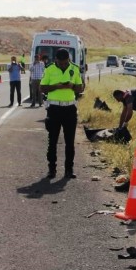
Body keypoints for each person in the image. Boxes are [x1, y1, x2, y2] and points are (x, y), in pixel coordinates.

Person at [40, 48, 83, 179]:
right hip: (54, 109)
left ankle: (69, 170)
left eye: (66, 62)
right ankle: (51, 169)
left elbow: (80, 87)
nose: (64, 65)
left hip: (70, 110)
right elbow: (42, 88)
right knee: (52, 141)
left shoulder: (74, 69)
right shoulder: (49, 69)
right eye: (61, 63)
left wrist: (72, 86)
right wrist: (56, 86)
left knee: (70, 142)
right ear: (56, 60)